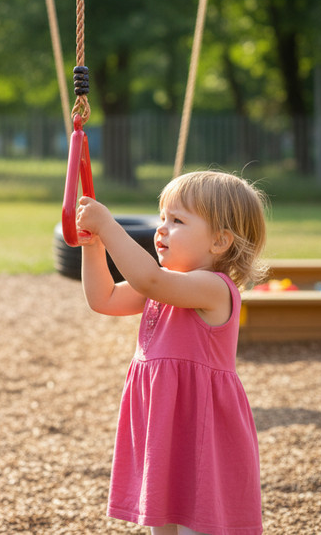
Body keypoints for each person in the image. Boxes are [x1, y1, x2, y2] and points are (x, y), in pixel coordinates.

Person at [75, 170, 267, 535]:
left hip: (200, 431)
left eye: (177, 220)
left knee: (199, 520)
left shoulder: (213, 288)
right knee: (162, 517)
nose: (161, 228)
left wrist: (108, 225)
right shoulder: (163, 283)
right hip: (164, 424)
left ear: (220, 241)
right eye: (162, 217)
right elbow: (104, 299)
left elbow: (150, 280)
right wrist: (94, 245)